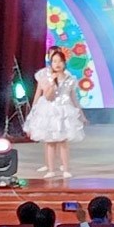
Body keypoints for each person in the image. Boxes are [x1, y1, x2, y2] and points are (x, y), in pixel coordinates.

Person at [25, 49, 86, 178]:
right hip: (50, 112)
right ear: (51, 63)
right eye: (54, 61)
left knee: (63, 142)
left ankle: (66, 169)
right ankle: (51, 170)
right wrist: (52, 83)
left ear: (64, 63)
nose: (57, 64)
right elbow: (47, 96)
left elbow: (74, 98)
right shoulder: (46, 78)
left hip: (64, 112)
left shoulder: (70, 79)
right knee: (50, 142)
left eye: (60, 61)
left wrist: (81, 114)